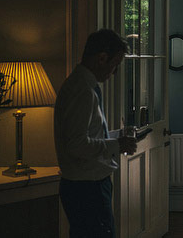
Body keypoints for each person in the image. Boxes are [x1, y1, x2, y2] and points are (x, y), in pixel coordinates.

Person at [54, 29, 137, 238]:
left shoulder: (80, 85)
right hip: (87, 189)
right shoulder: (82, 91)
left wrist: (116, 137)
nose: (115, 71)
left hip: (85, 186)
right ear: (102, 58)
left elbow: (87, 135)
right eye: (115, 64)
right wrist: (118, 145)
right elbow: (76, 144)